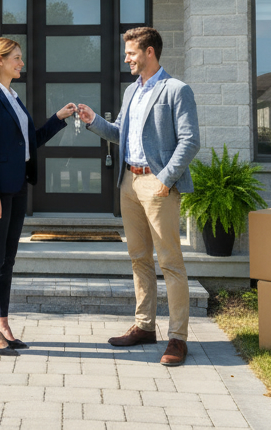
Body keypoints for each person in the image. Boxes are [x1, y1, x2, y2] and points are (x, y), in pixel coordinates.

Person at [77, 26, 199, 367]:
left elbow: (190, 140)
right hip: (129, 182)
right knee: (139, 258)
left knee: (170, 262)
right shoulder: (132, 90)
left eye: (131, 53)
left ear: (149, 52)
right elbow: (122, 133)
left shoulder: (176, 90)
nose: (126, 59)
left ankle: (178, 337)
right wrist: (94, 121)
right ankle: (145, 326)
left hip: (158, 184)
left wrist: (166, 178)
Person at [0, 37, 76, 356]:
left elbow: (30, 142)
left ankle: (2, 322)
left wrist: (58, 118)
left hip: (17, 188)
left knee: (7, 259)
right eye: (16, 57)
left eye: (20, 57)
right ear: (0, 60)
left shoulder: (14, 98)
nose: (21, 62)